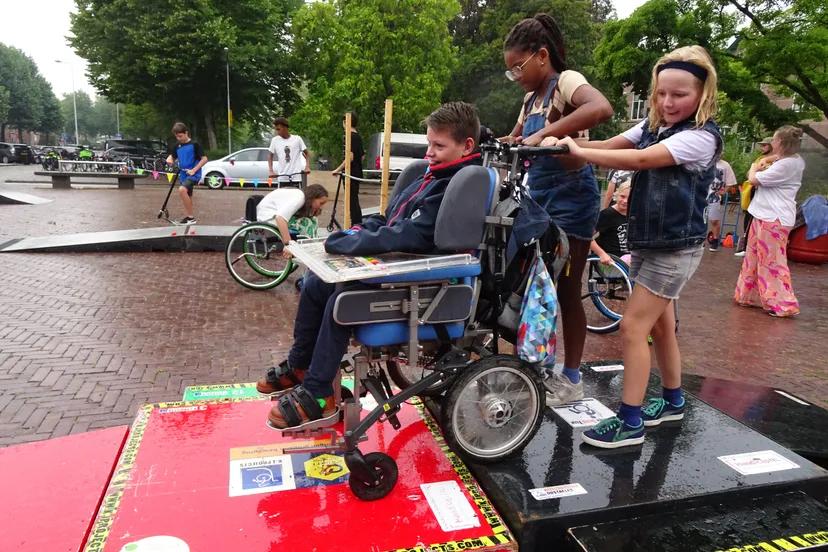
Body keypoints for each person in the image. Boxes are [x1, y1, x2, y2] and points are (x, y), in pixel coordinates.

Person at [258, 102, 482, 429]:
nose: (430, 153)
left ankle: (319, 393)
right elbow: (392, 218)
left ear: (467, 146)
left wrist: (352, 242)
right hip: (401, 270)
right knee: (317, 282)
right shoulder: (433, 176)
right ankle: (301, 366)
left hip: (426, 281)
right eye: (428, 144)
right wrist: (356, 230)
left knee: (342, 301)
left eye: (439, 146)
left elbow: (414, 234)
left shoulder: (455, 185)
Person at [552, 45, 722, 448]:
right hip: (652, 241)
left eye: (679, 95)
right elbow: (615, 142)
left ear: (703, 94)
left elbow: (640, 160)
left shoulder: (700, 138)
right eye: (661, 93)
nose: (667, 102)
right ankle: (673, 402)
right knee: (661, 327)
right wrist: (557, 139)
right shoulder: (652, 125)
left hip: (675, 249)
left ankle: (630, 422)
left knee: (633, 327)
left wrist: (579, 152)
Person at [501, 13, 614, 406]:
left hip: (572, 196)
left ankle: (572, 376)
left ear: (542, 56)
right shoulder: (530, 98)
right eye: (510, 71)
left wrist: (549, 131)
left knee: (566, 288)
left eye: (518, 67)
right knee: (533, 282)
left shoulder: (565, 82)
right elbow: (518, 136)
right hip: (540, 198)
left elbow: (601, 108)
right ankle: (537, 365)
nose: (515, 76)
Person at [734, 126, 804, 318]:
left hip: (774, 218)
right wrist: (766, 159)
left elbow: (753, 180)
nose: (771, 143)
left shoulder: (786, 166)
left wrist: (755, 167)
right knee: (754, 256)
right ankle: (750, 296)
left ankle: (783, 304)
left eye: (773, 140)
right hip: (765, 215)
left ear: (779, 142)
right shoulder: (792, 160)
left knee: (772, 261)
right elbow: (776, 158)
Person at [250, 184, 329, 258]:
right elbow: (280, 218)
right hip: (267, 218)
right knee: (307, 224)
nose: (321, 207)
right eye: (321, 203)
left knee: (313, 220)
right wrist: (289, 245)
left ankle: (311, 248)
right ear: (313, 198)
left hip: (269, 215)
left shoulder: (299, 196)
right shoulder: (299, 198)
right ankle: (308, 251)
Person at [735, 137, 774, 257]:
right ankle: (747, 246)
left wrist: (756, 172)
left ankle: (756, 248)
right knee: (749, 218)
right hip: (754, 192)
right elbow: (749, 174)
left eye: (764, 145)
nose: (761, 148)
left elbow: (759, 174)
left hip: (766, 195)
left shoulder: (775, 161)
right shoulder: (760, 159)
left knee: (759, 221)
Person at [166, 123, 208, 225]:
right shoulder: (177, 146)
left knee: (182, 190)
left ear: (186, 133)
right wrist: (169, 159)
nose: (179, 138)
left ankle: (191, 218)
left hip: (194, 174)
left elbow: (204, 159)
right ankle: (190, 218)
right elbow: (172, 157)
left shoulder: (194, 145)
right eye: (176, 136)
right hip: (183, 174)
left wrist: (194, 170)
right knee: (188, 196)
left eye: (180, 136)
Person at [331, 112, 365, 226]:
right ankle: (356, 223)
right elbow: (362, 156)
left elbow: (349, 157)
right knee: (353, 200)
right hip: (356, 172)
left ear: (346, 122)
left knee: (351, 201)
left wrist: (338, 169)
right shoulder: (358, 136)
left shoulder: (350, 137)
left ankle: (356, 224)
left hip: (351, 173)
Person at [591, 178, 631, 265]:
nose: (625, 201)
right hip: (612, 260)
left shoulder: (635, 214)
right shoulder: (607, 214)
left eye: (630, 198)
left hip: (630, 257)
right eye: (622, 196)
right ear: (617, 195)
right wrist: (601, 254)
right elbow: (587, 237)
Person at [268, 117, 310, 187]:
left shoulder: (297, 139)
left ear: (285, 127)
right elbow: (270, 156)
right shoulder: (275, 140)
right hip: (282, 177)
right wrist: (271, 171)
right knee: (282, 197)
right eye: (276, 130)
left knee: (296, 197)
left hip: (296, 176)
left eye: (279, 129)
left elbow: (307, 153)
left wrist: (307, 167)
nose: (277, 132)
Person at [707, 154, 737, 252]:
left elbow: (730, 180)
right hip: (701, 193)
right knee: (699, 218)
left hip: (714, 195)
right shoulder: (706, 160)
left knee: (714, 220)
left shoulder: (725, 165)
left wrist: (724, 191)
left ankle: (716, 240)